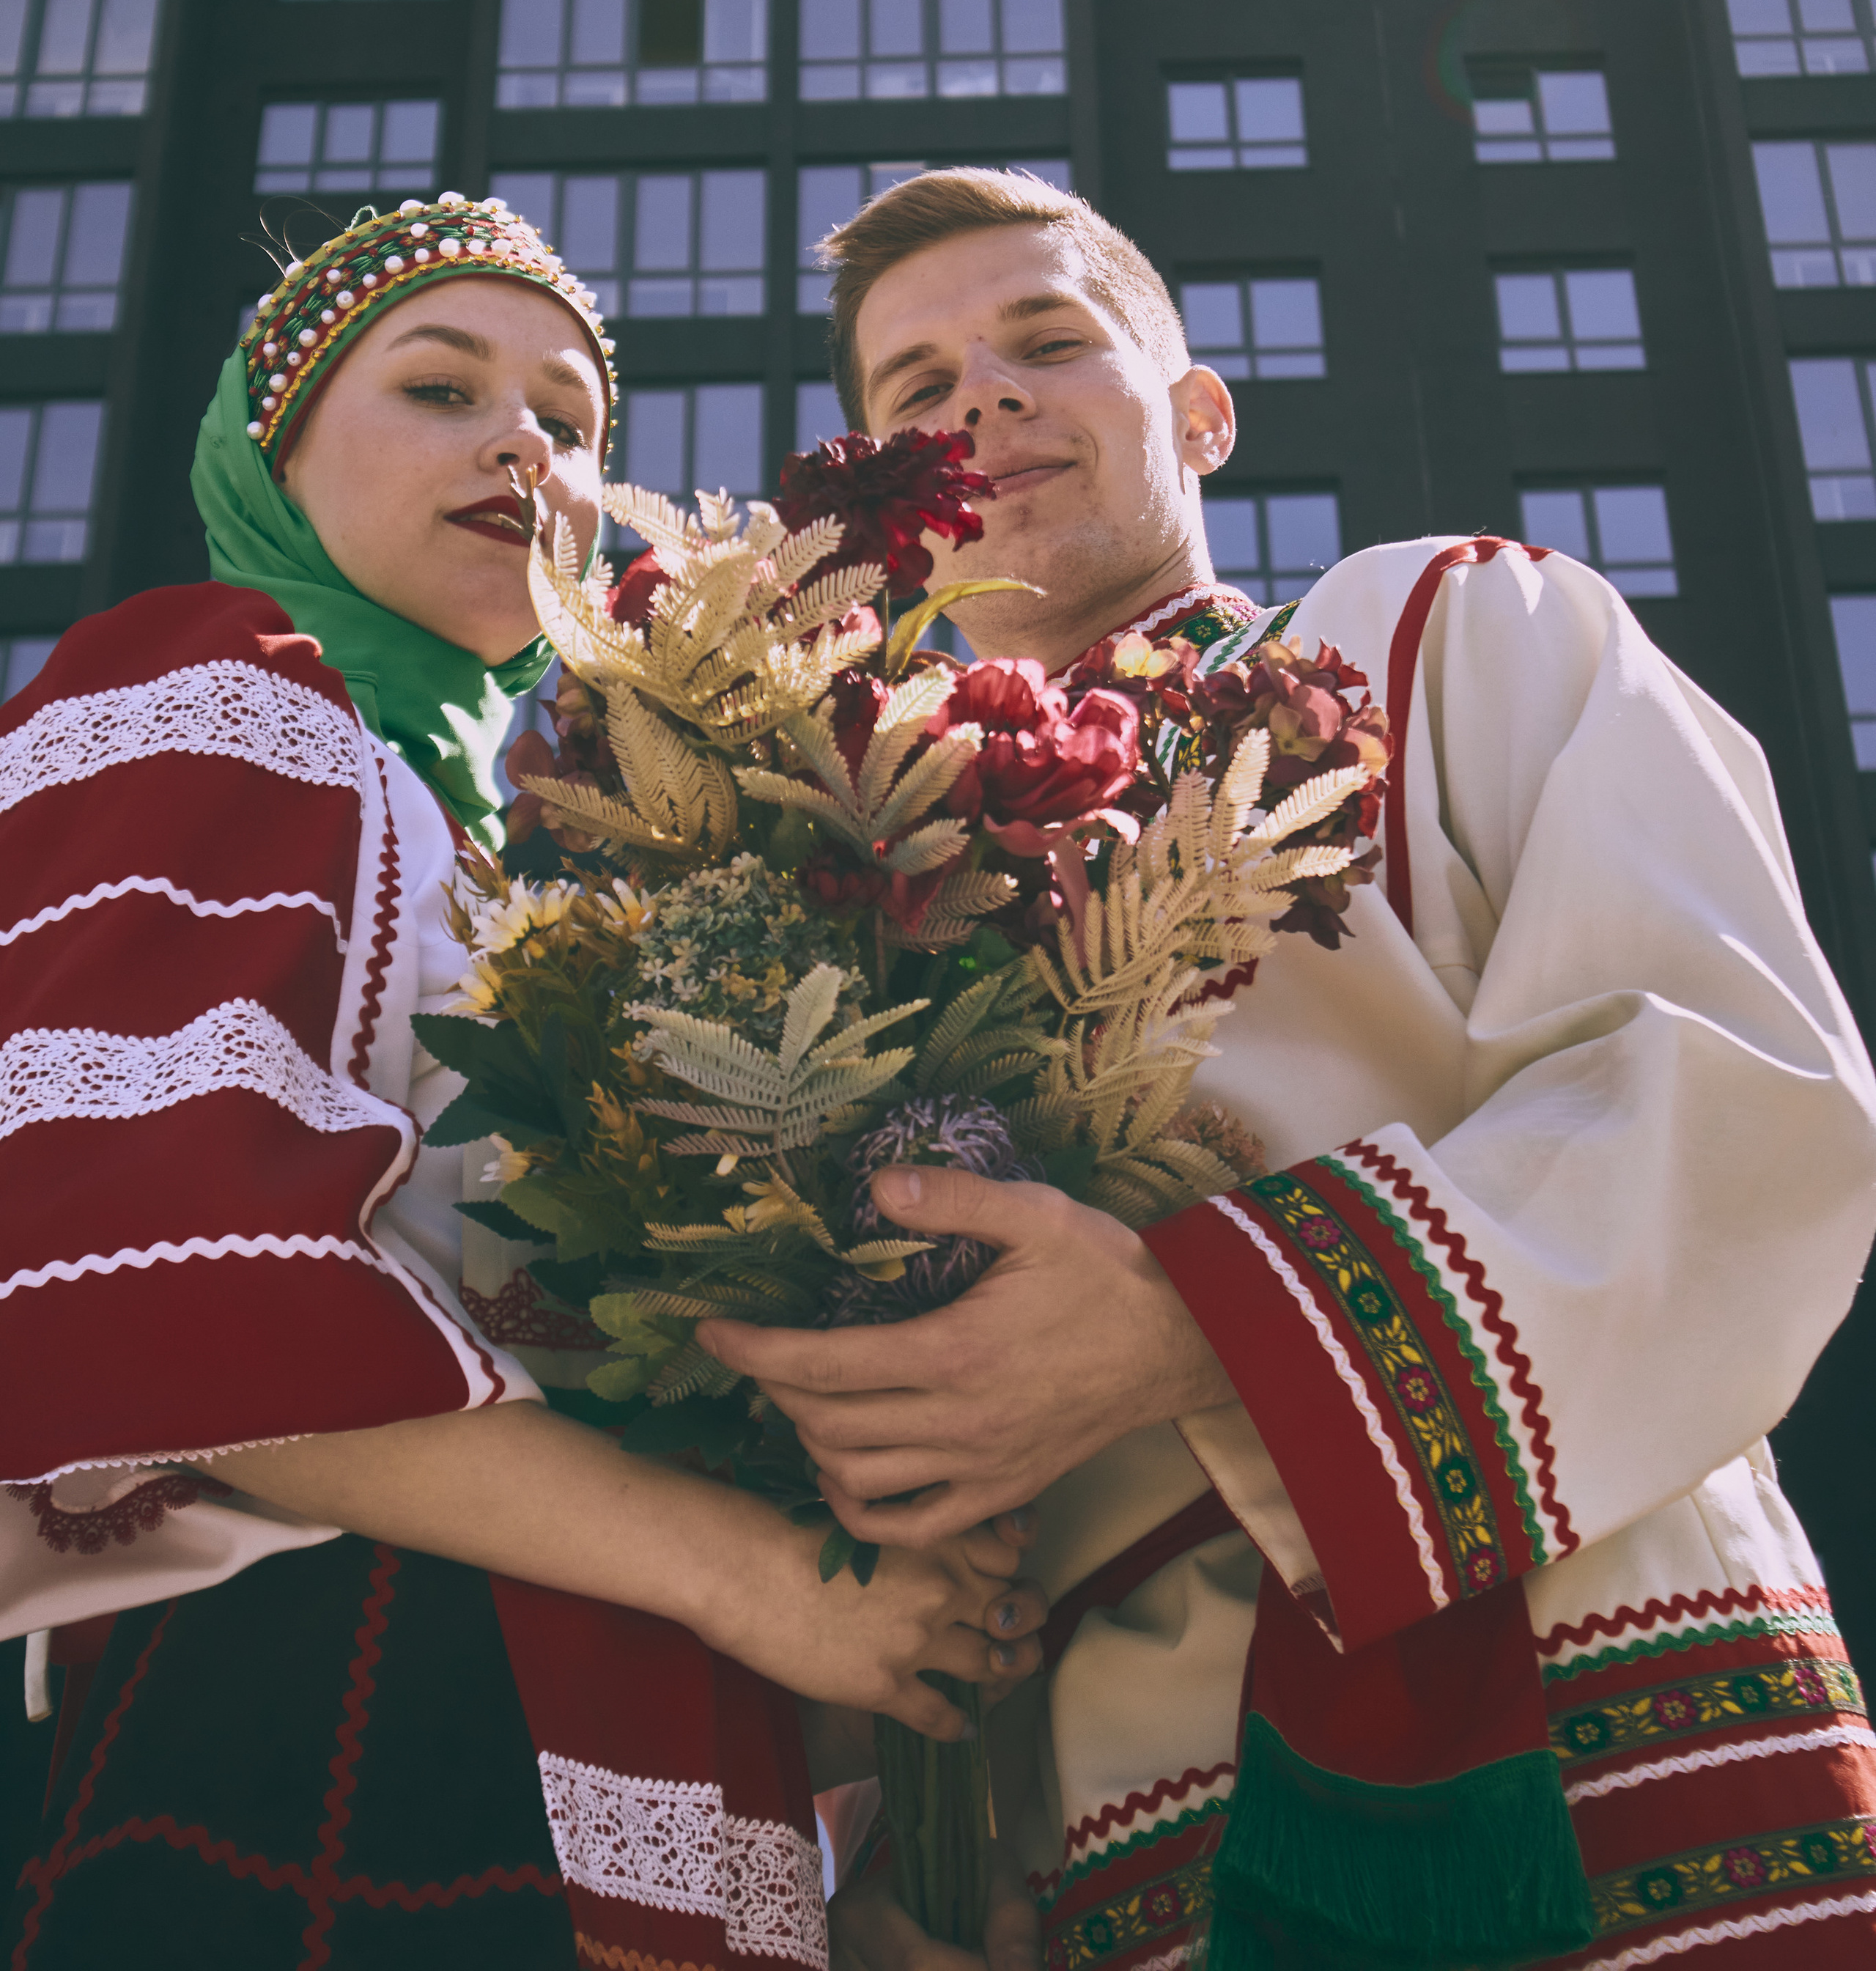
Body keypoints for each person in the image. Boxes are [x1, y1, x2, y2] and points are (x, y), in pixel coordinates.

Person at [702, 169, 1876, 1971]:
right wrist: (899, 1829)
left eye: (1045, 341)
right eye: (913, 389)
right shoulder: (842, 907)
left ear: (1198, 414)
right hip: (1109, 1814)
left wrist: (1209, 1321)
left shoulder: (1445, 631)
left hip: (1597, 1697)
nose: (980, 402)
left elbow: (1737, 1092)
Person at [0, 193, 1047, 1971]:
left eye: (569, 426)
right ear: (274, 452)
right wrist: (742, 1573)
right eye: (439, 387)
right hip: (333, 1715)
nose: (521, 445)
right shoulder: (219, 687)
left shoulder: (540, 845)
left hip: (602, 1725)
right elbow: (151, 1284)